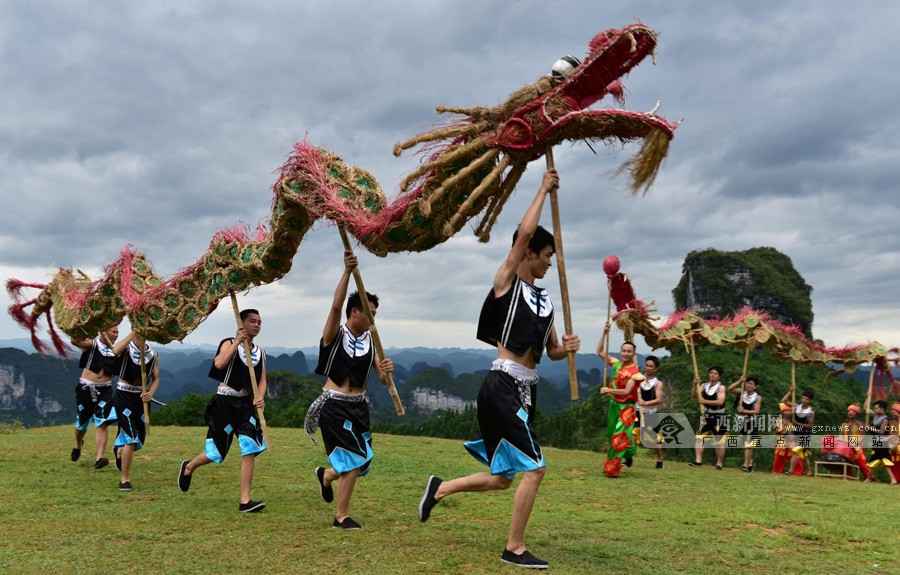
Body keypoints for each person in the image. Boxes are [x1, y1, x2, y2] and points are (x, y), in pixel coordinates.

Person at [417, 168, 580, 570]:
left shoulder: (547, 304)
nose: (547, 264)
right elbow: (523, 236)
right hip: (502, 383)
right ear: (529, 253)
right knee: (536, 469)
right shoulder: (507, 284)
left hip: (527, 389)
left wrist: (568, 350)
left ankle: (440, 489)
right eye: (545, 257)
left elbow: (552, 351)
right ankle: (515, 548)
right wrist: (542, 188)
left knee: (505, 476)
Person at [305, 252, 393, 530]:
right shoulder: (335, 335)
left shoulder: (373, 340)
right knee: (354, 460)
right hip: (335, 405)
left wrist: (387, 371)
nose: (373, 318)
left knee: (363, 460)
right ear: (355, 311)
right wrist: (346, 272)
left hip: (359, 406)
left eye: (376, 313)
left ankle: (327, 476)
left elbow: (380, 378)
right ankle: (340, 516)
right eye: (370, 312)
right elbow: (334, 307)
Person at [177, 309, 267, 512]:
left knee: (250, 447)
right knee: (216, 451)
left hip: (245, 405)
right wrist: (236, 342)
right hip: (224, 403)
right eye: (252, 321)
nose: (257, 325)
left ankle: (245, 501)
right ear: (242, 323)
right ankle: (189, 466)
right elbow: (218, 363)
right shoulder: (228, 342)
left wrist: (260, 397)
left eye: (259, 322)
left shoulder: (260, 352)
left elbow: (262, 381)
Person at [70, 324, 131, 469]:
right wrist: (79, 328)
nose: (116, 334)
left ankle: (99, 458)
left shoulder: (116, 351)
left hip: (105, 390)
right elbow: (75, 341)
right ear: (104, 332)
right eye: (113, 331)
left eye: (117, 332)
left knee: (102, 422)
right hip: (86, 388)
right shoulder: (92, 344)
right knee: (82, 422)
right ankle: (78, 443)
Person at [113, 334, 160, 491]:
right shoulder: (126, 347)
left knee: (139, 437)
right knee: (131, 438)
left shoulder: (153, 353)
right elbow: (115, 350)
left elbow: (156, 378)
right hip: (123, 395)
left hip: (141, 399)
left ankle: (120, 450)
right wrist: (133, 332)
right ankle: (125, 479)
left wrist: (151, 393)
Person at [596, 327, 644, 477]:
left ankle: (612, 468)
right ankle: (629, 453)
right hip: (613, 405)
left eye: (629, 351)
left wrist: (607, 390)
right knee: (612, 434)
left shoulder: (635, 373)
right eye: (624, 350)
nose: (626, 353)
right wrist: (604, 333)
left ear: (633, 354)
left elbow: (626, 392)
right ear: (621, 351)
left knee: (619, 437)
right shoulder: (616, 364)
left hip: (627, 409)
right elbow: (599, 351)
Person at [689, 366, 727, 469]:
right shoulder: (704, 385)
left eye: (715, 373)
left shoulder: (721, 387)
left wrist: (704, 401)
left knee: (719, 441)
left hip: (719, 416)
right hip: (706, 415)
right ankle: (698, 460)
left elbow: (720, 401)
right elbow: (694, 395)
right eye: (711, 373)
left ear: (719, 376)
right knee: (699, 437)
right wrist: (694, 384)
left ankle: (719, 463)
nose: (712, 375)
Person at [636, 355, 665, 469]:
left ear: (655, 369)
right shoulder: (638, 379)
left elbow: (658, 400)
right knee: (632, 435)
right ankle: (628, 458)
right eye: (646, 365)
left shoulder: (658, 383)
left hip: (651, 414)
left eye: (650, 366)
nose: (648, 368)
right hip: (637, 412)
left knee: (655, 441)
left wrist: (645, 403)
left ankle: (660, 459)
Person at [728, 375, 761, 472]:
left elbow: (756, 411)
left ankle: (745, 465)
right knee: (744, 443)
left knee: (749, 444)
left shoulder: (758, 397)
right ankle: (750, 463)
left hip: (751, 421)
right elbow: (730, 389)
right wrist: (739, 381)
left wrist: (744, 410)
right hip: (741, 421)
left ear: (755, 386)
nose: (748, 385)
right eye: (747, 383)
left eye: (751, 384)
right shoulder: (742, 392)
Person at [781, 387, 815, 477]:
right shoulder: (796, 406)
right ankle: (809, 472)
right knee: (803, 454)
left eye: (806, 399)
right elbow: (783, 401)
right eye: (803, 398)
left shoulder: (811, 412)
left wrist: (797, 423)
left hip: (805, 434)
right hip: (796, 433)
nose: (804, 400)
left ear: (810, 401)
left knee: (796, 451)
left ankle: (791, 471)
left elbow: (810, 426)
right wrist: (790, 391)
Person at [839, 403, 870, 480]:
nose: (850, 413)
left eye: (852, 411)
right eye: (849, 411)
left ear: (857, 414)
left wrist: (855, 443)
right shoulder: (844, 424)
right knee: (845, 462)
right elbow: (841, 436)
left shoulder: (861, 424)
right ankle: (846, 477)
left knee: (862, 464)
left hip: (857, 447)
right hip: (845, 447)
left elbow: (862, 437)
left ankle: (870, 477)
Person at [865, 400, 893, 483]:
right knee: (884, 461)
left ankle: (868, 479)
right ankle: (893, 480)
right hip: (876, 441)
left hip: (882, 441)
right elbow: (866, 408)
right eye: (875, 408)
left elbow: (881, 431)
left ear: (882, 409)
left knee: (874, 458)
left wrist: (869, 428)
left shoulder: (885, 420)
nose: (875, 410)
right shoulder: (875, 416)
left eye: (877, 408)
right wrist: (868, 397)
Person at [772, 402, 796, 474]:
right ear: (783, 412)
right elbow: (780, 431)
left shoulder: (794, 422)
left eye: (790, 411)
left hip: (792, 441)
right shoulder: (778, 421)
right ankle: (776, 471)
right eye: (787, 411)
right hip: (782, 440)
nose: (788, 413)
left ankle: (796, 472)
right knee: (779, 457)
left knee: (794, 456)